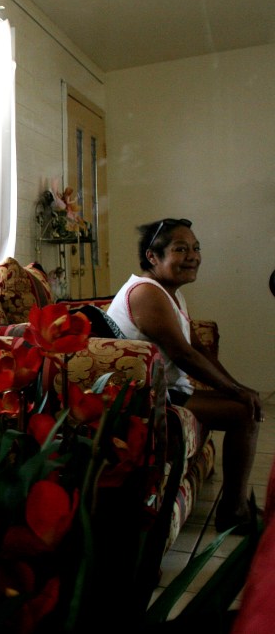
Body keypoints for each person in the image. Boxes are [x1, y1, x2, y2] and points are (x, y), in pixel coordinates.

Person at [106, 218, 262, 532]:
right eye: (181, 249)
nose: (193, 256)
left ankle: (236, 506)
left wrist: (238, 387)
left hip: (168, 389)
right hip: (149, 398)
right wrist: (237, 394)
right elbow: (183, 354)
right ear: (153, 256)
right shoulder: (146, 293)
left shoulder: (168, 292)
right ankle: (234, 512)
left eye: (195, 248)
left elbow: (199, 349)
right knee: (243, 412)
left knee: (245, 402)